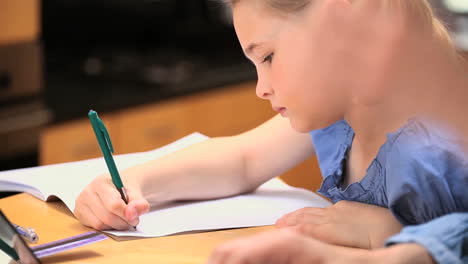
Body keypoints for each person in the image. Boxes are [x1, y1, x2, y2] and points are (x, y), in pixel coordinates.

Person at [74, 0, 468, 263]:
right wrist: (133, 183)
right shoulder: (342, 112)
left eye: (268, 57)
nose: (261, 88)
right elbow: (242, 159)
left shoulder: (441, 140)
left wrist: (389, 234)